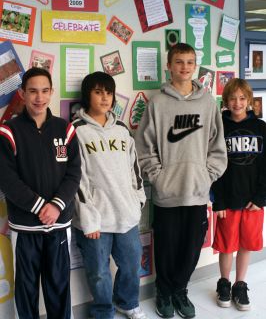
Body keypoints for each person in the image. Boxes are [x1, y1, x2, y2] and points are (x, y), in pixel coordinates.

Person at [135, 43, 227, 319]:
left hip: (197, 192)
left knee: (190, 248)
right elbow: (144, 147)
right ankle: (163, 293)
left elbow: (217, 147)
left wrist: (206, 175)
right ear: (169, 66)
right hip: (167, 193)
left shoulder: (208, 103)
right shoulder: (158, 103)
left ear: (195, 66)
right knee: (165, 247)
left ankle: (179, 290)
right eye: (179, 62)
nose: (185, 67)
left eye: (190, 62)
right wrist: (158, 178)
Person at [0, 67, 81, 319]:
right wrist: (39, 207)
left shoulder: (65, 129)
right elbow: (7, 180)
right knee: (26, 288)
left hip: (59, 224)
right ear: (22, 93)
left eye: (44, 91)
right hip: (26, 228)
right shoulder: (8, 131)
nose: (39, 97)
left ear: (51, 92)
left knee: (59, 286)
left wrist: (56, 206)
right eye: (33, 91)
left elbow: (74, 173)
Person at [72, 71, 148, 319]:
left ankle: (127, 302)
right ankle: (104, 311)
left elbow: (134, 168)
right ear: (87, 95)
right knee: (98, 272)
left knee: (131, 265)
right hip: (96, 218)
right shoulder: (77, 131)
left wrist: (138, 201)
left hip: (126, 212)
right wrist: (88, 218)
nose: (104, 98)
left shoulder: (122, 129)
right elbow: (76, 179)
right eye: (98, 92)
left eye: (108, 92)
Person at [211, 78, 266, 311]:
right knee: (226, 245)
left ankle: (239, 285)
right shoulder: (219, 127)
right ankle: (223, 283)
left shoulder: (261, 128)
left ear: (250, 101)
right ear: (226, 101)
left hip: (253, 201)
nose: (238, 102)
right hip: (227, 199)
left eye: (243, 98)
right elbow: (212, 165)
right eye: (233, 98)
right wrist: (218, 200)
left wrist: (262, 197)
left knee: (246, 244)